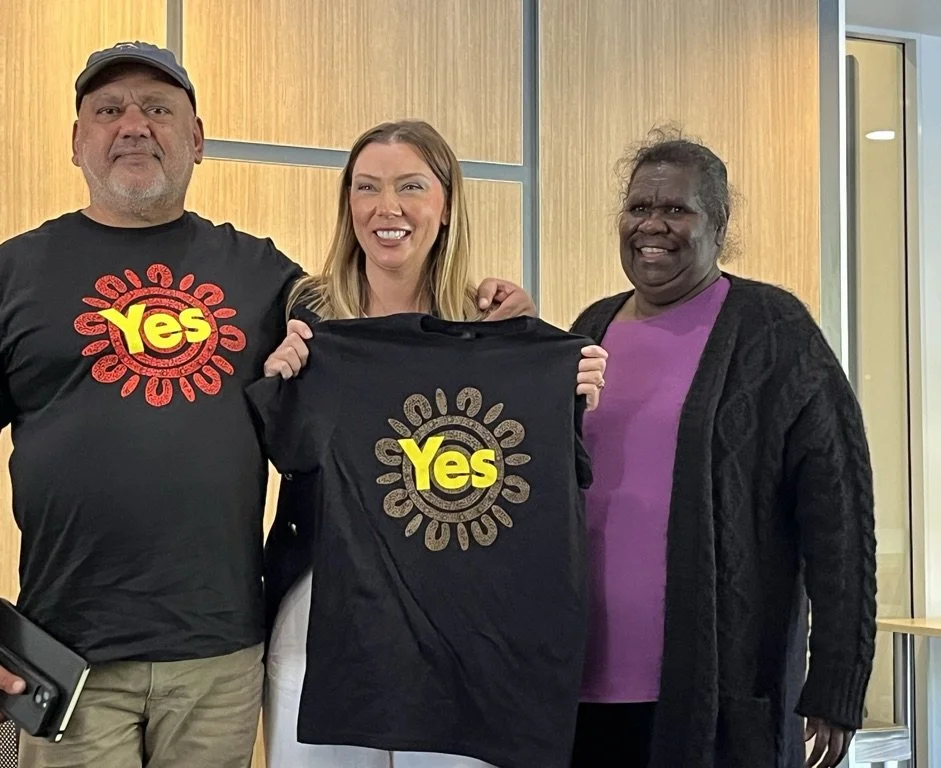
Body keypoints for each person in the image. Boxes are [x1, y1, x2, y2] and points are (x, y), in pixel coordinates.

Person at [0, 42, 557, 768]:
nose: (134, 125)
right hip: (68, 652)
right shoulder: (15, 272)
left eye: (158, 110)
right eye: (109, 110)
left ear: (197, 141)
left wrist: (492, 335)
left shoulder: (265, 274)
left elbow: (383, 336)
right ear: (77, 141)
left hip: (222, 657)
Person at [258, 119, 608, 768]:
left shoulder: (493, 326)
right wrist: (280, 381)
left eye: (410, 186)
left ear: (446, 204)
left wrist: (569, 390)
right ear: (348, 205)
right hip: (327, 613)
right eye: (367, 187)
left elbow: (542, 472)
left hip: (461, 620)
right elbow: (284, 453)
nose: (386, 207)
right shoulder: (309, 317)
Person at [567, 129, 877, 768]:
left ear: (718, 223)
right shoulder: (589, 328)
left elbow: (839, 515)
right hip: (580, 688)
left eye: (676, 209)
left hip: (720, 697)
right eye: (638, 208)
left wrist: (838, 680)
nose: (652, 225)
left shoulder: (773, 331)